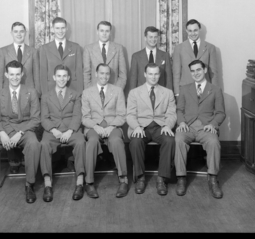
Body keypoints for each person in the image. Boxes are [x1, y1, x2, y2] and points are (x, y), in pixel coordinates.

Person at [0, 60, 41, 205]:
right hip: (4, 130)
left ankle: (30, 184)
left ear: (22, 74)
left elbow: (36, 119)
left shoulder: (32, 92)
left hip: (24, 131)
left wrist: (20, 133)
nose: (15, 77)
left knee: (34, 143)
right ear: (6, 75)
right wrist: (3, 134)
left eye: (17, 74)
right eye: (11, 74)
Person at [174, 60, 226, 199]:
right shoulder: (184, 89)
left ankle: (213, 178)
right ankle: (181, 178)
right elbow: (179, 110)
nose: (195, 73)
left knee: (214, 142)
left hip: (206, 128)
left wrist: (213, 124)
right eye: (192, 71)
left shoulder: (215, 89)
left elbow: (221, 113)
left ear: (204, 70)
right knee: (178, 139)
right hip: (188, 126)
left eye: (198, 70)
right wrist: (181, 122)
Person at [0, 22, 40, 174]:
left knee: (27, 126)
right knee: (9, 122)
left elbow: (36, 75)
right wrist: (1, 97)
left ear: (25, 33)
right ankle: (13, 161)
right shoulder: (3, 51)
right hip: (10, 94)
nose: (19, 34)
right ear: (11, 33)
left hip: (28, 96)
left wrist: (36, 95)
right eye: (16, 31)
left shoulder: (33, 51)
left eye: (22, 31)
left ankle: (29, 162)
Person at [127, 63, 176, 196]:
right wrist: (136, 127)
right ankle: (140, 177)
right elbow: (130, 114)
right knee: (135, 142)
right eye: (150, 74)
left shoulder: (168, 92)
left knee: (170, 140)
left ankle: (162, 178)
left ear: (159, 75)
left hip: (160, 126)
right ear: (145, 74)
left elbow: (171, 113)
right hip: (141, 127)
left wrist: (167, 125)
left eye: (156, 74)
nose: (153, 77)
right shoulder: (134, 93)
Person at [40, 65, 86, 202]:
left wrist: (70, 131)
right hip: (52, 129)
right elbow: (44, 118)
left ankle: (80, 181)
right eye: (59, 76)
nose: (62, 79)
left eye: (64, 76)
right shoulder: (46, 96)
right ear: (54, 77)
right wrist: (53, 130)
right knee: (44, 144)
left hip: (71, 129)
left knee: (81, 142)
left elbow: (77, 116)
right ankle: (47, 183)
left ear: (69, 78)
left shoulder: (75, 94)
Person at [82, 63, 128, 198]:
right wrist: (95, 127)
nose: (104, 76)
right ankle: (89, 182)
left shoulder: (117, 91)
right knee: (92, 141)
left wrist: (111, 126)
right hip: (93, 126)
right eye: (101, 73)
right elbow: (85, 118)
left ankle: (123, 179)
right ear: (96, 74)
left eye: (107, 73)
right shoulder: (87, 92)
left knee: (116, 141)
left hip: (112, 126)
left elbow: (122, 115)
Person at [172, 19, 218, 98]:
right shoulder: (179, 48)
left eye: (195, 30)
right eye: (190, 31)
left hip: (205, 90)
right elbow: (176, 73)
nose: (193, 33)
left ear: (199, 30)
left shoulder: (210, 48)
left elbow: (213, 73)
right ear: (186, 31)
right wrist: (177, 93)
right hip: (185, 90)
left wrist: (215, 92)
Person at [38, 17, 84, 95]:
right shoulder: (44, 49)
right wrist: (45, 95)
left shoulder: (76, 47)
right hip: (51, 89)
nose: (60, 31)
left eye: (63, 28)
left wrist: (79, 93)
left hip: (72, 88)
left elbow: (79, 72)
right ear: (53, 29)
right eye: (57, 28)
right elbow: (43, 74)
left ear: (66, 29)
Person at [83, 21, 127, 90]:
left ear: (110, 33)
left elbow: (123, 74)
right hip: (94, 92)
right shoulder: (88, 49)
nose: (104, 34)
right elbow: (86, 74)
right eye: (101, 31)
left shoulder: (118, 48)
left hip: (113, 91)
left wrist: (116, 91)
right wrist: (91, 92)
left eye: (107, 31)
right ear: (97, 32)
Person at [129, 26, 173, 90]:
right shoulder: (136, 56)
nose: (153, 40)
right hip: (141, 94)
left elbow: (168, 79)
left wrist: (169, 95)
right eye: (150, 37)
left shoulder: (165, 55)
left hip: (160, 94)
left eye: (155, 37)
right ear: (145, 38)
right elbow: (133, 80)